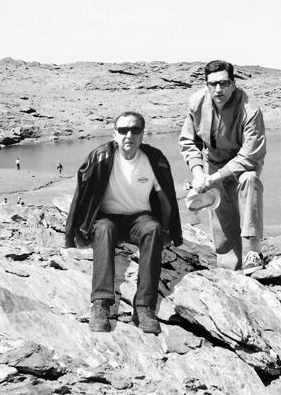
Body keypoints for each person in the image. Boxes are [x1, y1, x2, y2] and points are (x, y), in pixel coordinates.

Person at [66, 111, 182, 334]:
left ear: (142, 134)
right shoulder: (100, 156)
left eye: (135, 130)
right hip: (107, 217)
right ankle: (101, 303)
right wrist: (76, 231)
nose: (129, 135)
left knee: (153, 229)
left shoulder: (154, 159)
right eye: (123, 130)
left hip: (139, 218)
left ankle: (144, 306)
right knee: (104, 230)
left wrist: (170, 231)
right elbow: (82, 194)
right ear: (114, 134)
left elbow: (166, 197)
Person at [179, 60, 266, 274]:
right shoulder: (197, 103)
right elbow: (188, 142)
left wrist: (213, 178)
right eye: (212, 84)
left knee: (250, 182)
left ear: (233, 83)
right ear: (206, 84)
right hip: (213, 162)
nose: (218, 89)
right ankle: (230, 266)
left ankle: (253, 252)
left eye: (224, 83)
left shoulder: (250, 109)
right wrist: (199, 174)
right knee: (222, 220)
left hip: (243, 165)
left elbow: (250, 154)